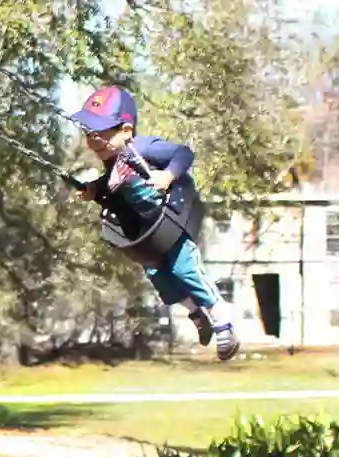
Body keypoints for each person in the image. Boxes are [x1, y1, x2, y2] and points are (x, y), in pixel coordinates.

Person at [68, 85, 238, 361]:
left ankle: (223, 321)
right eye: (89, 133)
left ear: (126, 130)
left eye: (101, 132)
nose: (94, 139)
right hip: (149, 233)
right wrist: (93, 190)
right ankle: (197, 313)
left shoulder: (143, 147)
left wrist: (168, 176)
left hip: (172, 219)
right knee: (159, 276)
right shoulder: (112, 165)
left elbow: (184, 154)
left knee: (185, 269)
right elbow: (113, 188)